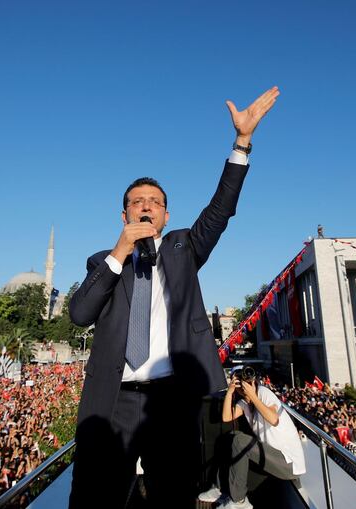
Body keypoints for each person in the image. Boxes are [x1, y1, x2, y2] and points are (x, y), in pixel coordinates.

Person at [67, 86, 280, 509]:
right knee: (97, 497)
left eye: (155, 202)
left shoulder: (185, 248)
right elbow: (79, 314)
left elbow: (221, 208)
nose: (146, 206)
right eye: (136, 202)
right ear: (124, 214)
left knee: (173, 496)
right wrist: (119, 252)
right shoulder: (103, 261)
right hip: (114, 400)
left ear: (167, 214)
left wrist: (241, 143)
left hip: (172, 399)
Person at [198, 367, 306, 509]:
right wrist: (230, 392)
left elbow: (274, 419)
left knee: (239, 441)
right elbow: (226, 417)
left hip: (288, 462)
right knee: (231, 436)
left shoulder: (263, 393)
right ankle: (221, 489)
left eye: (244, 380)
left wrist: (253, 396)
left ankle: (239, 501)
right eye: (238, 382)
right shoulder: (244, 404)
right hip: (270, 457)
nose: (242, 385)